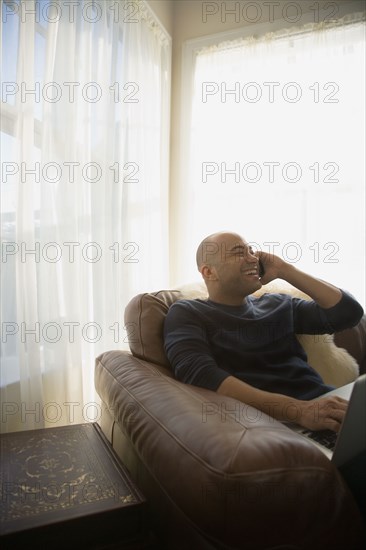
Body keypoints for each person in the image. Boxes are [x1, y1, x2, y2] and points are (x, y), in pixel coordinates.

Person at [164, 231, 364, 432]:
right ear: (209, 272)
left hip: (325, 409)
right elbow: (201, 375)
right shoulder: (187, 312)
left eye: (252, 251)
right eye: (239, 252)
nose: (253, 258)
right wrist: (300, 411)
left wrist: (286, 270)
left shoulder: (278, 303)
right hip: (274, 426)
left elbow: (348, 314)